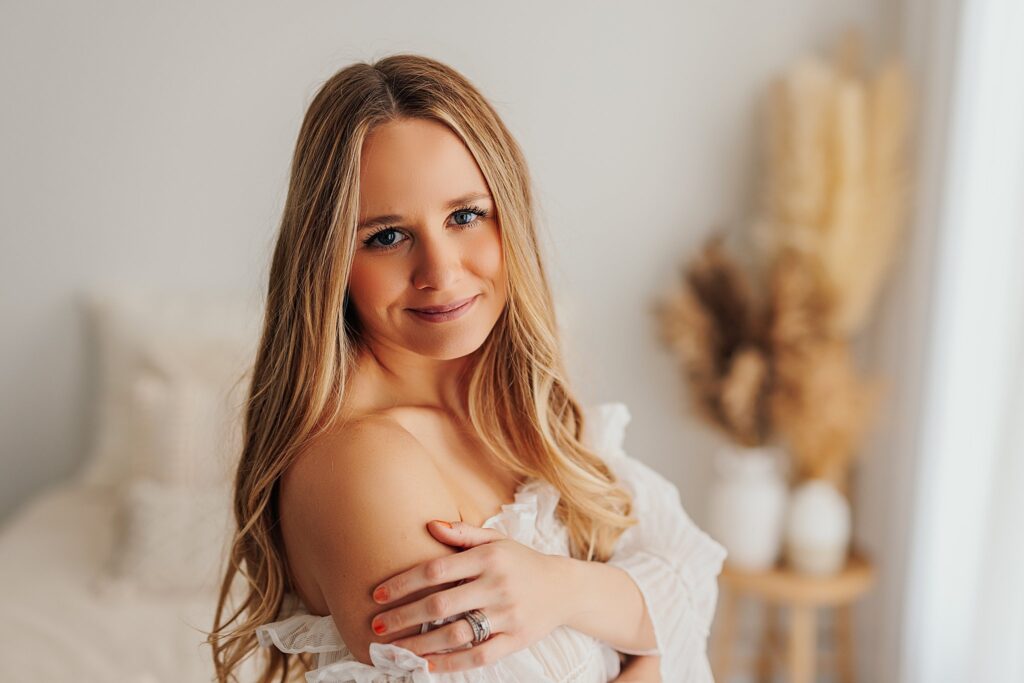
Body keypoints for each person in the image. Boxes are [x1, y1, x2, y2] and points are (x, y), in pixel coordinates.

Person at [206, 53, 726, 683]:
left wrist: (564, 589)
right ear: (330, 261)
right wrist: (645, 645)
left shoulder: (516, 398)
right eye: (387, 236)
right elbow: (672, 614)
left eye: (464, 216)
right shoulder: (365, 465)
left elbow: (692, 573)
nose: (442, 272)